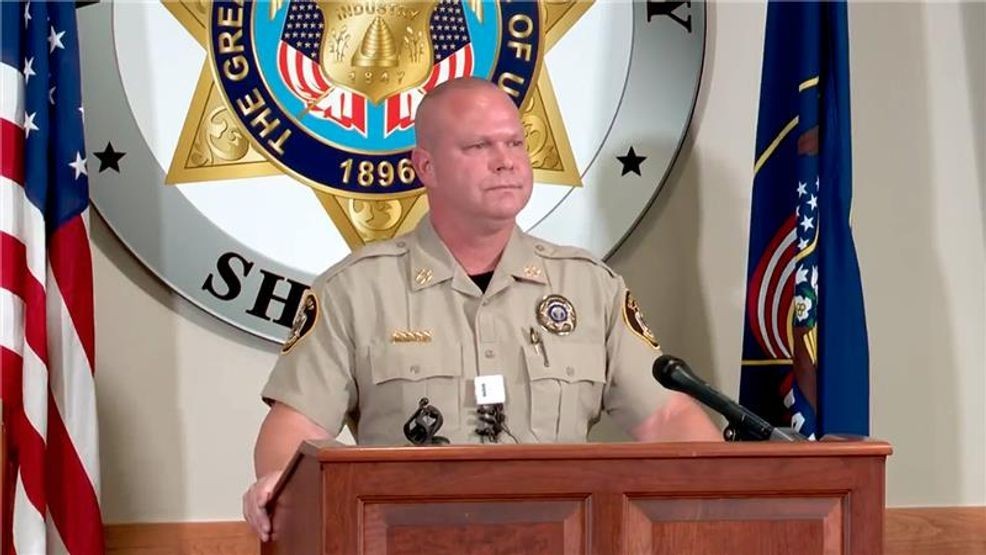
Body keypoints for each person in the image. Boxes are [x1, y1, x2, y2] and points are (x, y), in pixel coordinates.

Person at [242, 78, 721, 540]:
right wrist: (279, 484)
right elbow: (296, 427)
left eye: (515, 143)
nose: (505, 162)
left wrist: (717, 494)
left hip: (563, 538)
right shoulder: (357, 290)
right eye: (478, 147)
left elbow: (666, 417)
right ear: (426, 167)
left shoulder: (589, 287)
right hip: (410, 540)